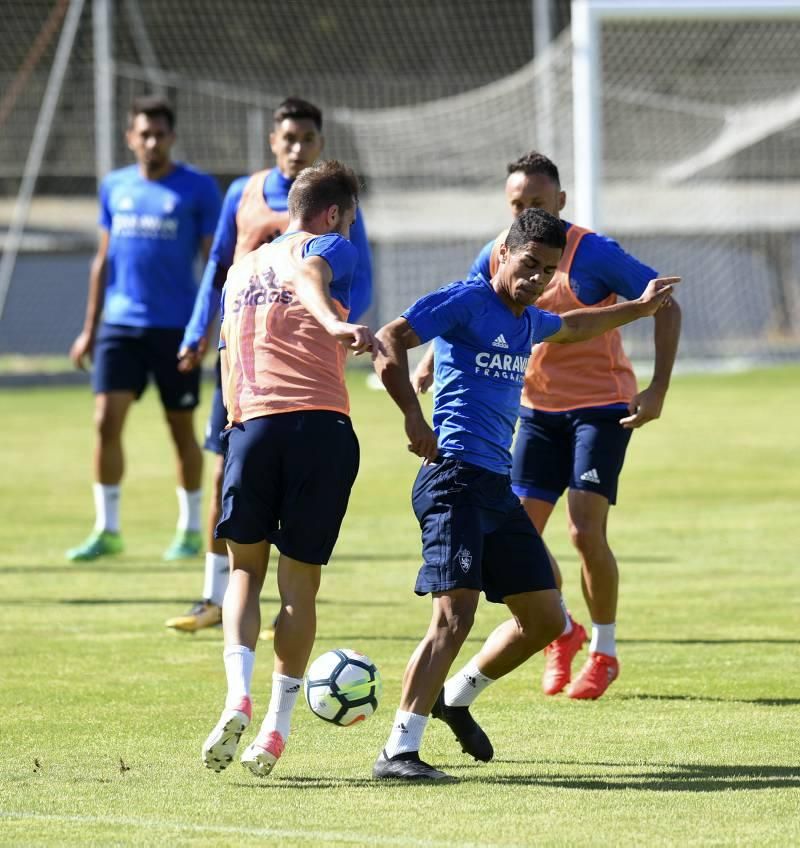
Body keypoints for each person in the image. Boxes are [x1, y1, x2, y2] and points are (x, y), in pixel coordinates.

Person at [372, 207, 679, 781]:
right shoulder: (465, 300)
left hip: (495, 485)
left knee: (544, 620)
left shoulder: (530, 319)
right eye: (529, 266)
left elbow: (579, 325)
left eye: (547, 272)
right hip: (453, 478)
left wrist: (639, 308)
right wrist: (415, 420)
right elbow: (390, 339)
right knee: (454, 616)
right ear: (505, 254)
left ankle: (455, 697)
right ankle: (398, 750)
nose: (537, 279)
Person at [412, 151, 682, 700]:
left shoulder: (594, 251)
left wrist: (657, 387)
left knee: (584, 529)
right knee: (520, 539)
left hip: (602, 407)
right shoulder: (498, 252)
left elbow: (663, 304)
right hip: (534, 412)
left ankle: (603, 649)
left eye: (537, 202)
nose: (527, 209)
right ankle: (561, 628)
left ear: (560, 201)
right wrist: (430, 359)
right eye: (517, 203)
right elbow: (460, 311)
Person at [165, 97, 373, 633]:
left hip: (301, 364)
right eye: (288, 137)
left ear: (318, 143)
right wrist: (197, 332)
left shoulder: (336, 208)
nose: (296, 146)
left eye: (306, 138)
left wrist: (338, 320)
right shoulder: (244, 192)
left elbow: (357, 276)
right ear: (273, 141)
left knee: (262, 470)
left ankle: (242, 600)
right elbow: (218, 267)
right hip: (242, 357)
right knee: (223, 470)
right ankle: (211, 595)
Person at [201, 160, 379, 778]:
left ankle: (236, 695)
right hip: (320, 427)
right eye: (351, 220)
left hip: (250, 426)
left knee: (243, 569)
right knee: (299, 583)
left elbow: (228, 356)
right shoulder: (327, 247)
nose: (350, 232)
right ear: (333, 214)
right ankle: (275, 729)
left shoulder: (240, 268)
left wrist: (233, 430)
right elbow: (310, 273)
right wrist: (332, 321)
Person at [67, 95, 222, 562]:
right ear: (130, 137)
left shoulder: (197, 189)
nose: (151, 141)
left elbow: (214, 263)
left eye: (160, 133)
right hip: (119, 324)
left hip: (175, 329)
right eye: (143, 133)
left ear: (171, 137)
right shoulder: (114, 186)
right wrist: (89, 328)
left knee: (180, 430)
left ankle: (190, 529)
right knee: (104, 421)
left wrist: (209, 328)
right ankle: (107, 528)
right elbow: (103, 260)